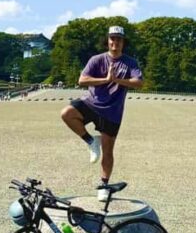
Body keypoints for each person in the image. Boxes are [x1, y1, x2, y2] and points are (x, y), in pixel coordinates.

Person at [60, 25, 143, 201]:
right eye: (112, 38)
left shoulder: (130, 62)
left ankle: (104, 185)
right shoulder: (97, 59)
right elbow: (82, 80)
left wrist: (117, 80)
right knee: (67, 113)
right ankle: (90, 141)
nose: (115, 42)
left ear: (123, 42)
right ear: (108, 40)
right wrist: (105, 80)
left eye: (119, 39)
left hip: (112, 112)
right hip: (91, 103)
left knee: (107, 151)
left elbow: (138, 82)